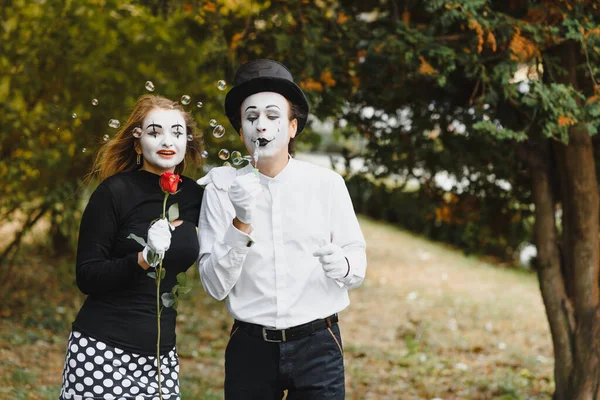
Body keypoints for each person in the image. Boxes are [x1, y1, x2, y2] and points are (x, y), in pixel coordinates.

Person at [197, 59, 367, 399]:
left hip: (318, 344)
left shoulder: (327, 184)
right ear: (241, 130)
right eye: (251, 117)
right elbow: (214, 286)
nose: (261, 125)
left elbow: (357, 261)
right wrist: (241, 221)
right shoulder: (220, 187)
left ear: (292, 127)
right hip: (251, 347)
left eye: (273, 116)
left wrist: (344, 265)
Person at [59, 95, 204, 400]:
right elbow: (87, 276)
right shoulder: (113, 192)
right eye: (155, 132)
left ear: (187, 143)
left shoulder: (194, 196)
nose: (167, 140)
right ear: (138, 145)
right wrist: (144, 257)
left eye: (177, 133)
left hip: (161, 360)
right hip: (101, 351)